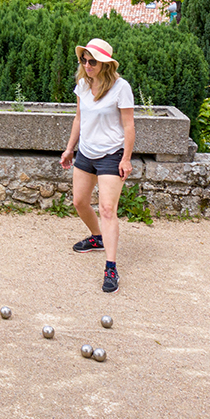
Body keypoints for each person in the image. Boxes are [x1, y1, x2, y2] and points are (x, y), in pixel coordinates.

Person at [59, 38, 135, 294]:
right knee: (80, 202)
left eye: (93, 61)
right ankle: (97, 237)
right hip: (86, 152)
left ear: (105, 64)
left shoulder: (121, 88)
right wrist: (70, 149)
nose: (88, 65)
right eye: (84, 60)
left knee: (107, 209)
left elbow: (128, 126)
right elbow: (79, 118)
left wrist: (126, 158)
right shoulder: (82, 84)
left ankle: (111, 267)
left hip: (111, 154)